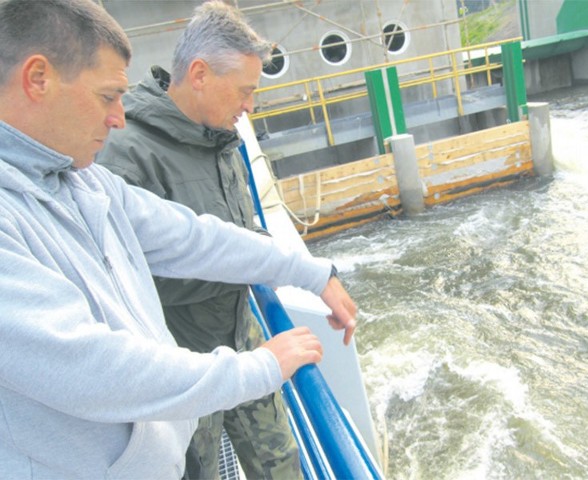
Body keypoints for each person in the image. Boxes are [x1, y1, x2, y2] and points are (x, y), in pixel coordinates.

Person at [0, 1, 357, 479]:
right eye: (108, 96)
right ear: (38, 78)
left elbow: (194, 237)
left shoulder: (81, 181)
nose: (118, 118)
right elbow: (87, 367)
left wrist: (313, 273)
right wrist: (259, 368)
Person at [96, 2, 316, 479]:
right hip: (184, 364)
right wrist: (245, 265)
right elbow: (127, 279)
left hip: (243, 336)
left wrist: (263, 259)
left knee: (281, 462)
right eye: (245, 91)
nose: (249, 107)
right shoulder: (124, 153)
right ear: (199, 74)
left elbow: (238, 229)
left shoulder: (220, 136)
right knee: (198, 471)